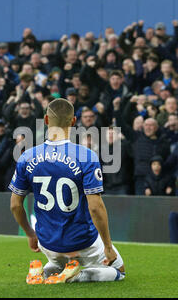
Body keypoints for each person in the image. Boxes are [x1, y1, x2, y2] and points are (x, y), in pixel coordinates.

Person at [8, 98, 125, 285]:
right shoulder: (86, 156)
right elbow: (95, 207)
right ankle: (77, 277)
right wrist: (108, 246)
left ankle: (46, 271)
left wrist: (31, 235)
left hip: (47, 243)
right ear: (73, 121)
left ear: (46, 120)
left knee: (56, 260)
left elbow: (15, 205)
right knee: (119, 270)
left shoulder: (27, 157)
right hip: (82, 241)